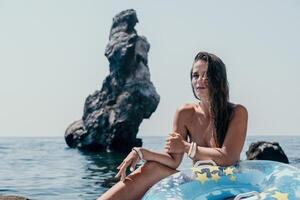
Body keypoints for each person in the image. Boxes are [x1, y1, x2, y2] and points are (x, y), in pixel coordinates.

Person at [98, 51, 248, 200]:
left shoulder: (236, 112)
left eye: (206, 75)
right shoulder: (185, 112)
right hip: (198, 182)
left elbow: (228, 157)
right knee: (151, 168)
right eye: (195, 75)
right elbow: (173, 160)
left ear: (218, 79)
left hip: (227, 183)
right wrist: (142, 152)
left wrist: (186, 147)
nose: (199, 80)